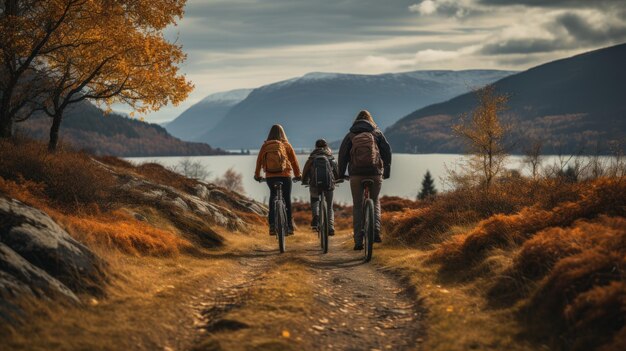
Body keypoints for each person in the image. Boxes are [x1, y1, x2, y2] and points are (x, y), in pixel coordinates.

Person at [338, 110, 392, 250]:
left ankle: (358, 242)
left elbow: (343, 155)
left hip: (356, 174)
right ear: (370, 120)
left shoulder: (350, 135)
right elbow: (387, 151)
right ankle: (376, 233)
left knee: (357, 206)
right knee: (375, 201)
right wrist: (386, 171)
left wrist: (340, 174)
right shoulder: (377, 133)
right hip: (375, 172)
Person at [254, 125, 302, 235]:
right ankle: (289, 227)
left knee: (273, 196)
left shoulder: (265, 146)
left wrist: (257, 175)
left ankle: (271, 226)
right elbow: (294, 162)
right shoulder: (286, 145)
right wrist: (297, 174)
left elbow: (259, 162)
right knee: (287, 198)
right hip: (285, 176)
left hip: (271, 177)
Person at [301, 139, 339, 236]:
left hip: (315, 185)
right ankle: (330, 227)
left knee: (314, 200)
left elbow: (305, 171)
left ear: (316, 147)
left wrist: (304, 181)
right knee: (329, 206)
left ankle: (316, 218)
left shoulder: (312, 157)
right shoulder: (330, 157)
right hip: (329, 185)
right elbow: (336, 171)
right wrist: (338, 179)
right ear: (326, 146)